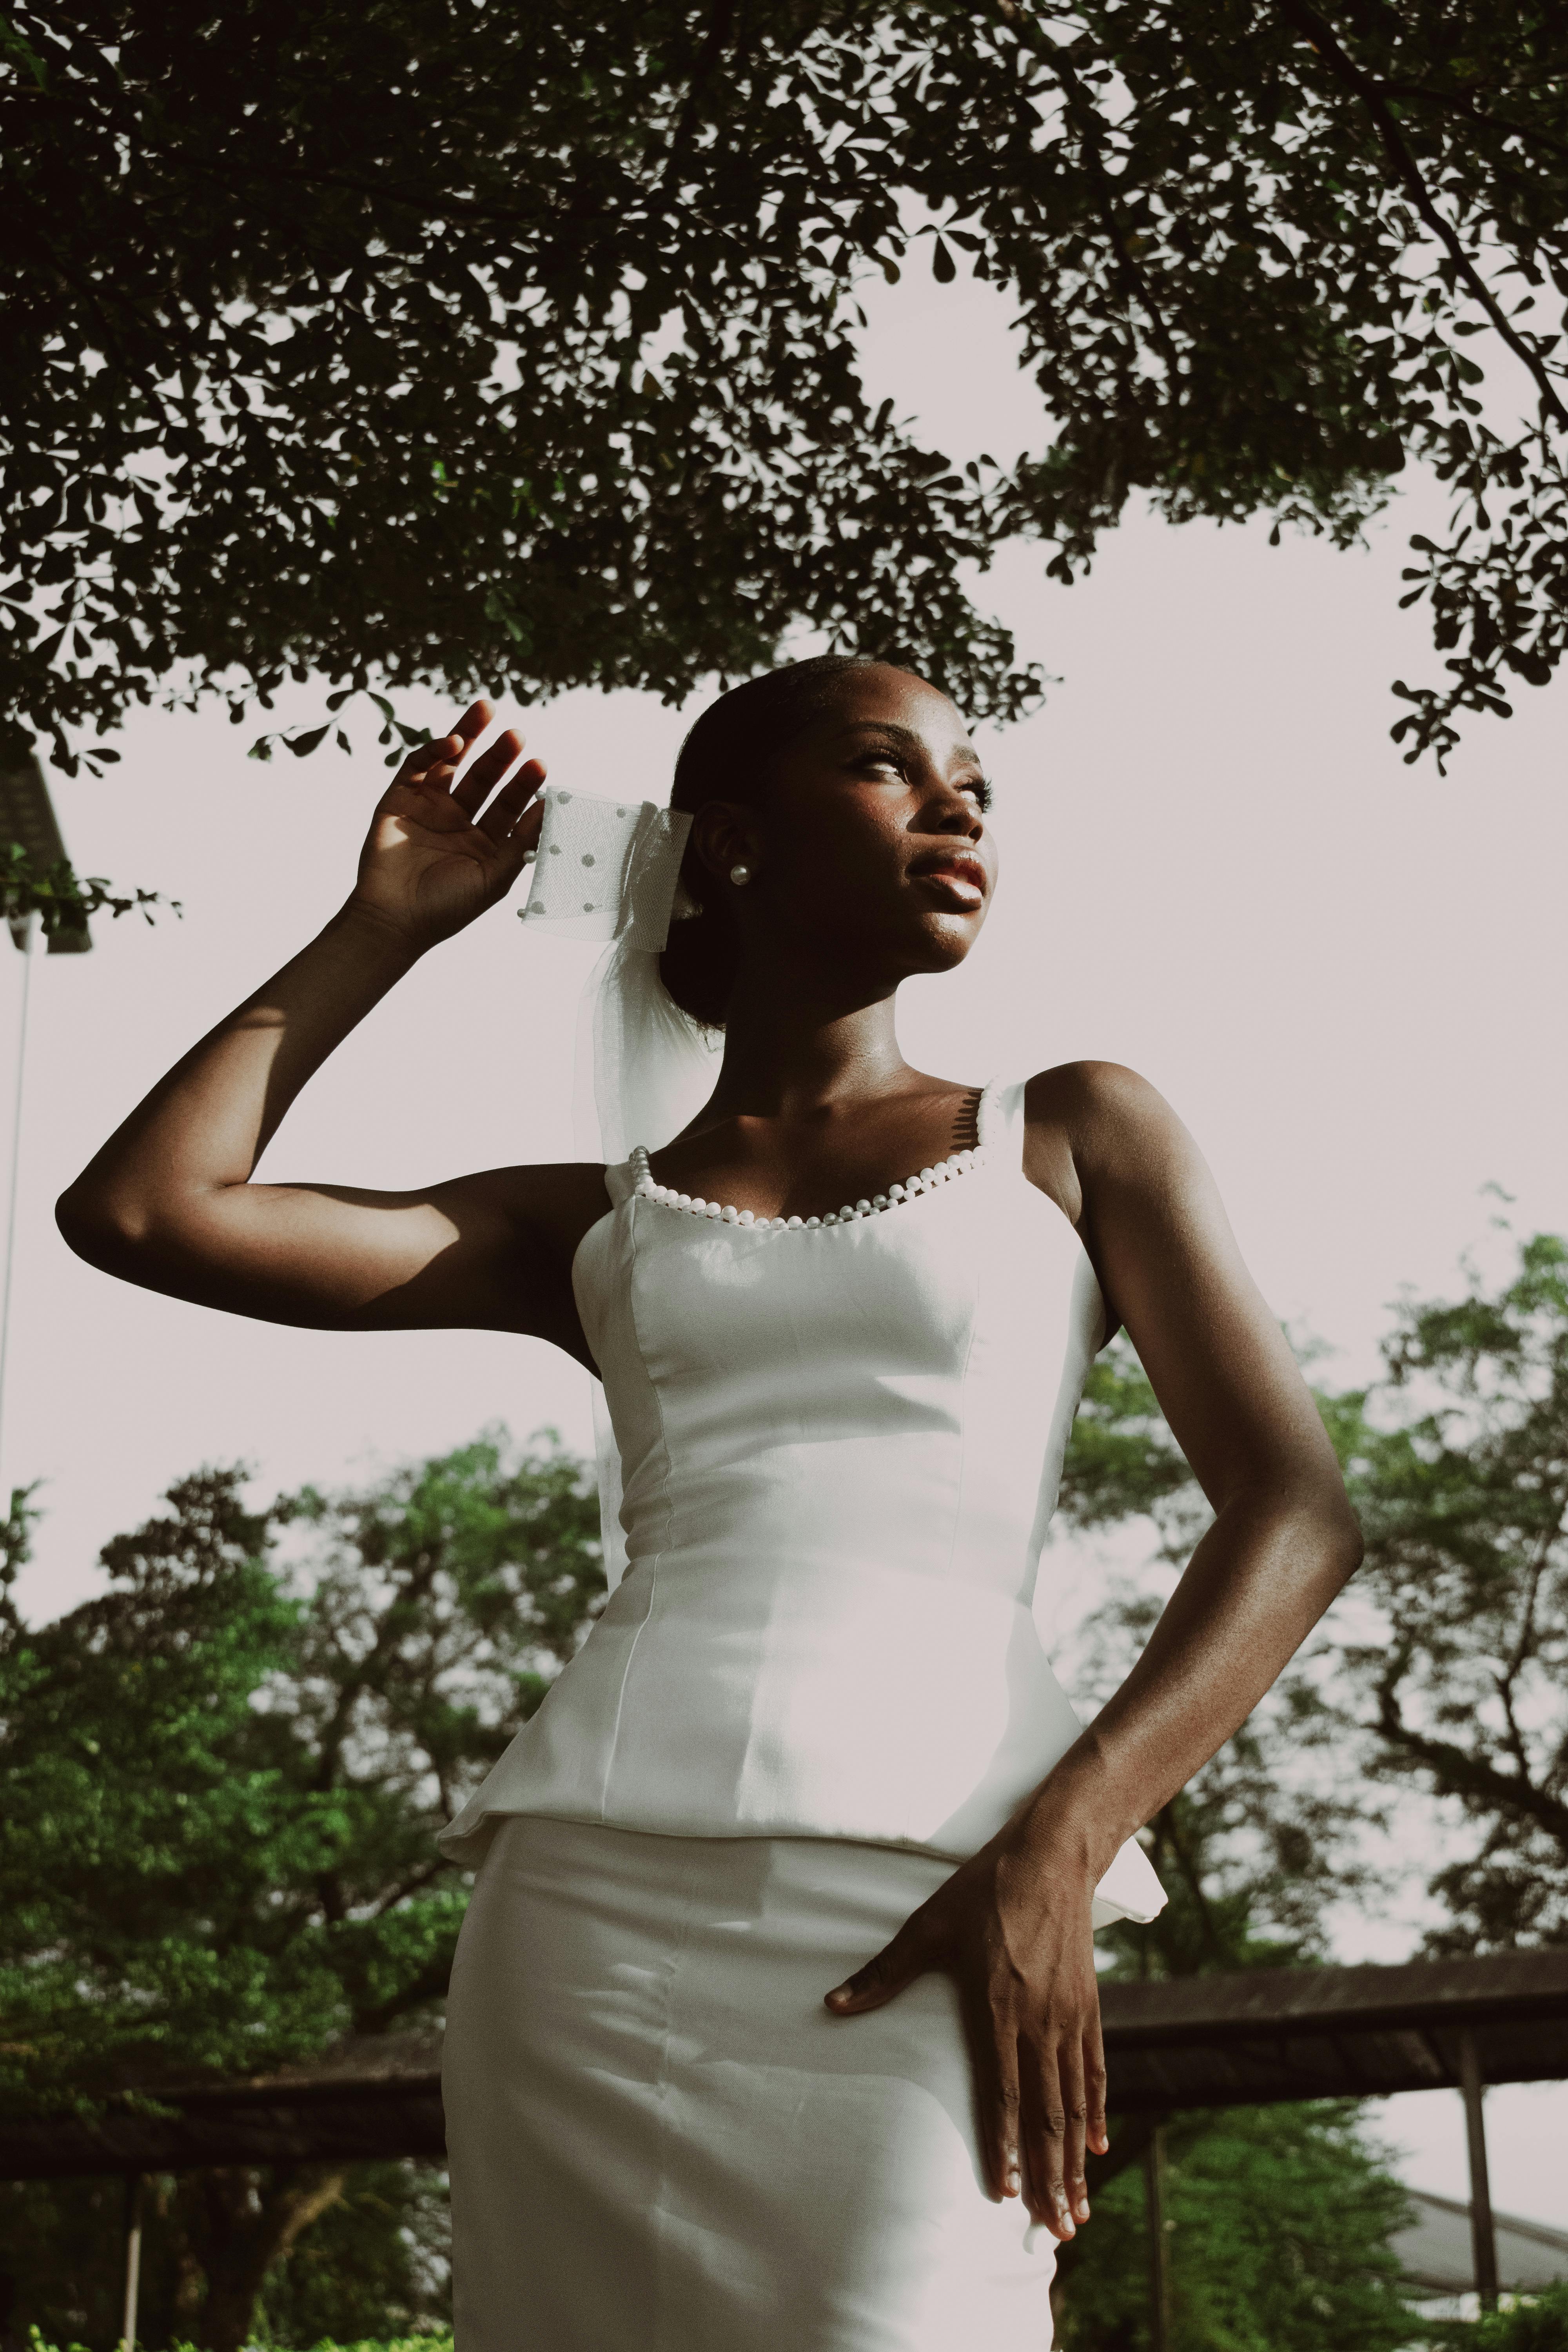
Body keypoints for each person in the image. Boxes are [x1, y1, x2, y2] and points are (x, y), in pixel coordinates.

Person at [58, 656, 1361, 2350]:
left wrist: (1065, 1841)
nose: (957, 805)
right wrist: (385, 921)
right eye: (889, 769)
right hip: (587, 1918)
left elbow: (1296, 1512)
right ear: (731, 844)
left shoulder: (1074, 1133)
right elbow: (148, 1212)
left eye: (973, 783)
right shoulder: (587, 1223)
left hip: (939, 1900)